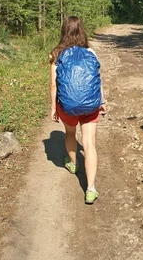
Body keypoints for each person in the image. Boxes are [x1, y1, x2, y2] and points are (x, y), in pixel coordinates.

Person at [49, 16, 107, 204]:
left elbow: (53, 85)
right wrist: (102, 100)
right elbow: (97, 79)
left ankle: (73, 164)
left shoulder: (56, 54)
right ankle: (90, 188)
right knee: (89, 143)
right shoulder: (90, 52)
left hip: (67, 105)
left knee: (70, 133)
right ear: (82, 30)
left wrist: (53, 108)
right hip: (91, 105)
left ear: (64, 31)